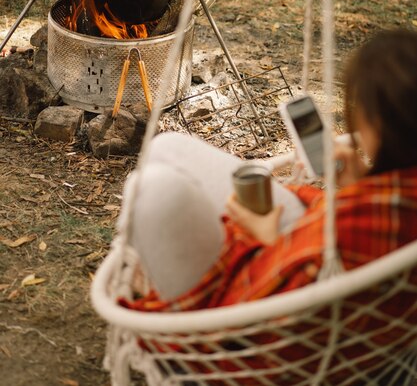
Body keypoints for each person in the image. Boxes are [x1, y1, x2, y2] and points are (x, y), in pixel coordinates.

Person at [120, 28, 417, 312]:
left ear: (379, 126)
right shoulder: (393, 195)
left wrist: (264, 236)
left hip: (272, 312)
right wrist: (358, 181)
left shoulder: (372, 223)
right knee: (168, 147)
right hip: (309, 243)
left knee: (151, 189)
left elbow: (305, 297)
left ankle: (159, 271)